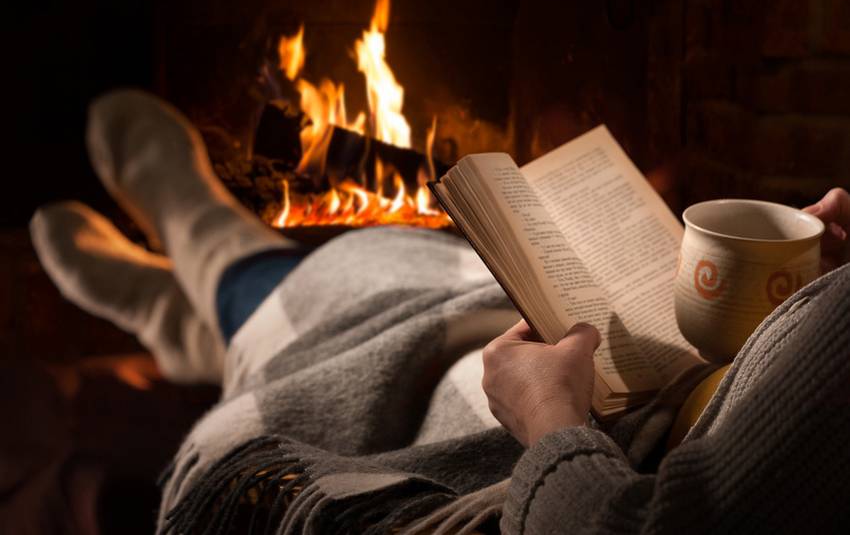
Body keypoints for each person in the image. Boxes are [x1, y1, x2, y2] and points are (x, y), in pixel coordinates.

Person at [30, 90, 850, 534]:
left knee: (380, 299)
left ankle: (212, 255)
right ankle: (202, 304)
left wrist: (551, 420)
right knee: (440, 277)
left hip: (604, 426)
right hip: (685, 376)